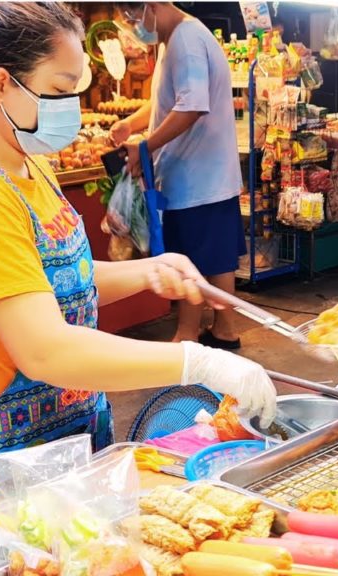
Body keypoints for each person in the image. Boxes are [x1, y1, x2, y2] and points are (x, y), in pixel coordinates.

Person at [0, 1, 277, 520]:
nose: (71, 107)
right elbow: (45, 350)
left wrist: (150, 271)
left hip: (59, 439)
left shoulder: (27, 164)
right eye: (58, 91)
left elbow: (50, 281)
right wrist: (200, 360)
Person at [110, 2, 246, 349]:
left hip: (198, 175)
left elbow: (192, 105)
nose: (132, 24)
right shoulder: (176, 40)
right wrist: (132, 124)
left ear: (151, 6)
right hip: (203, 176)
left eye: (130, 15)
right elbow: (168, 103)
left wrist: (146, 148)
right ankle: (223, 328)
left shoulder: (185, 39)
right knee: (216, 257)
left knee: (191, 259)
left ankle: (187, 336)